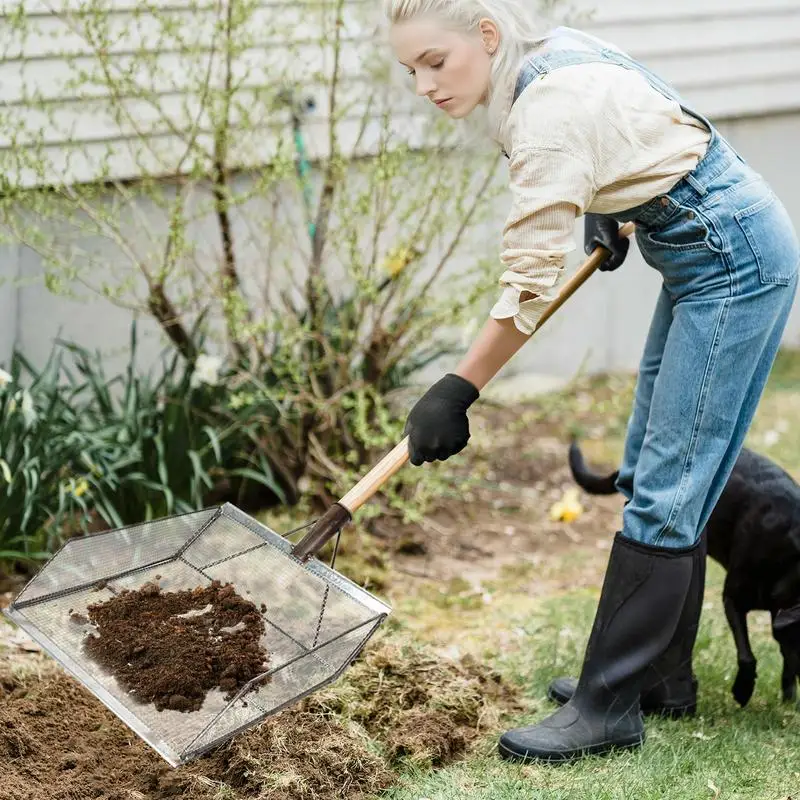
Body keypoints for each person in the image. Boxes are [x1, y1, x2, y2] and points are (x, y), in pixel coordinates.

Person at [385, 0, 800, 764]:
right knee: (649, 459)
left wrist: (457, 386)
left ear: (485, 35)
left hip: (732, 263)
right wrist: (609, 206)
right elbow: (653, 115)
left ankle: (607, 706)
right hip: (698, 247)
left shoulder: (545, 111)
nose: (423, 85)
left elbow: (529, 288)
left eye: (434, 63)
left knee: (672, 478)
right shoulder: (550, 54)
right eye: (410, 70)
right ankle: (660, 679)